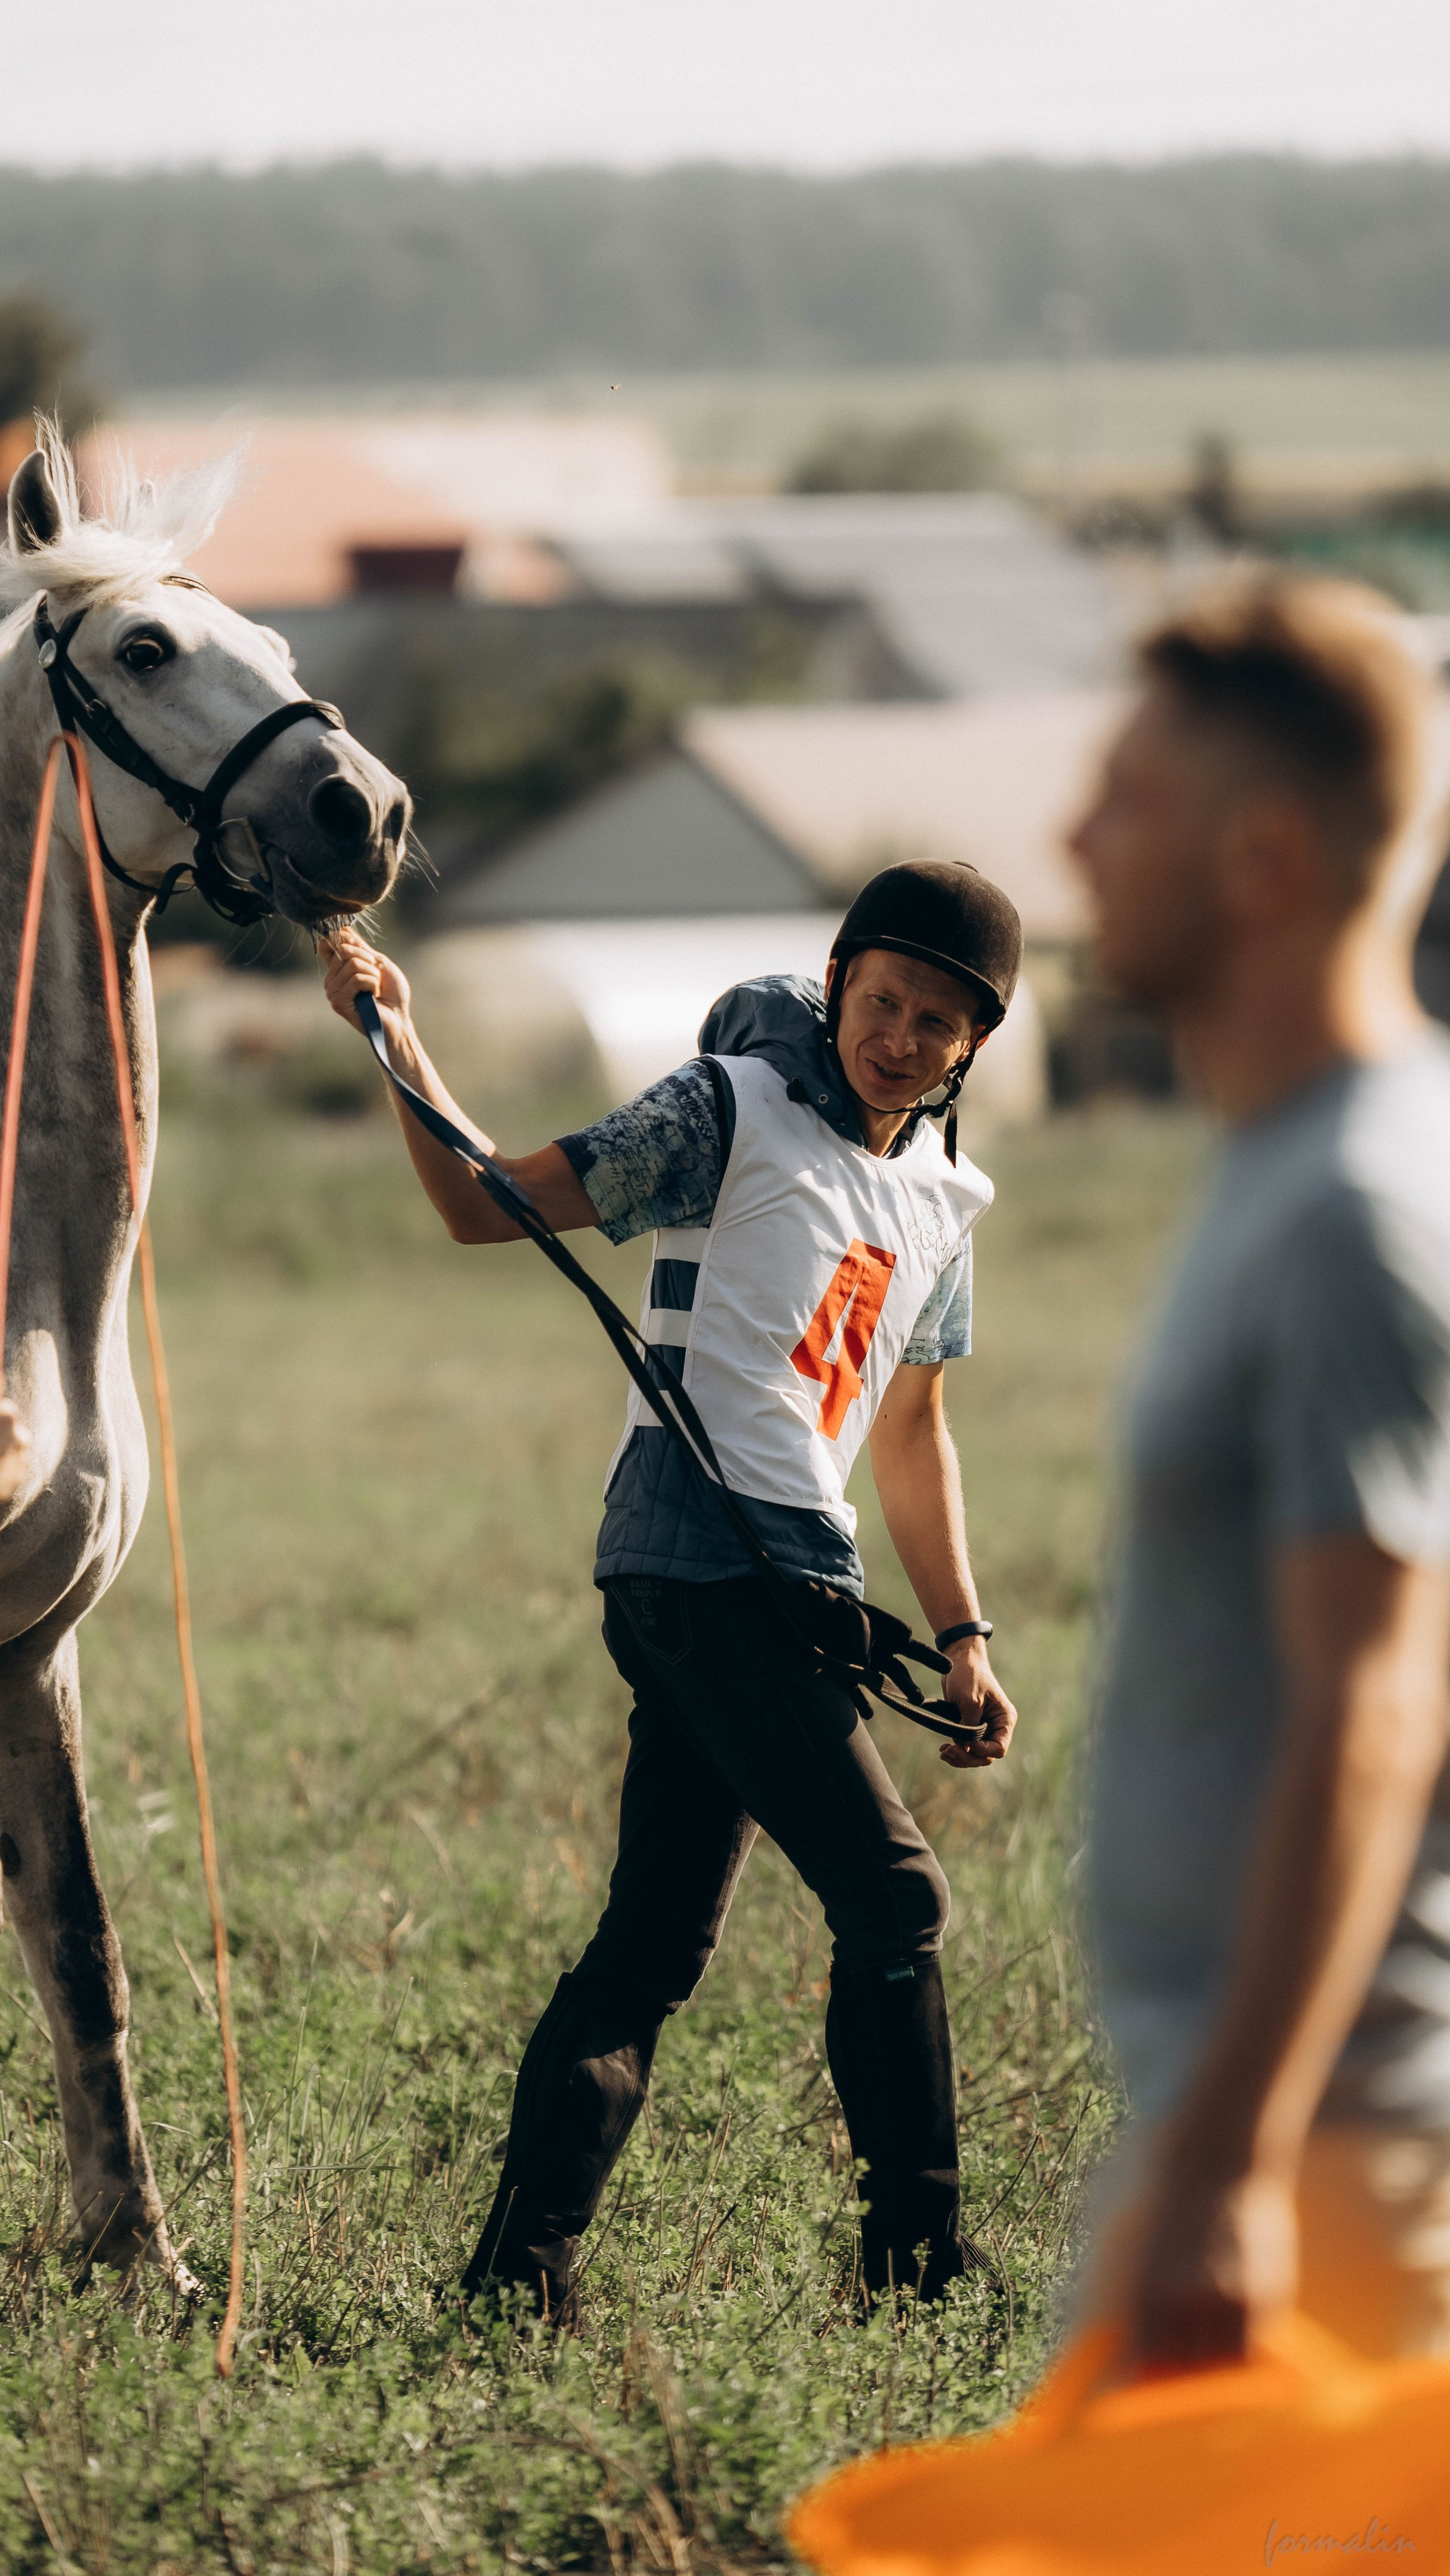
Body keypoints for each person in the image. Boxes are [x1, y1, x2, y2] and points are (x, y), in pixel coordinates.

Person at [321, 860, 1021, 2319]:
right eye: (877, 997)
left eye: (933, 1018)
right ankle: (918, 2272)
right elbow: (484, 1204)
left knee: (655, 1938)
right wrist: (401, 1034)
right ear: (836, 985)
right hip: (692, 1550)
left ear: (973, 1044)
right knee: (894, 1894)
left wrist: (961, 1632)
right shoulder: (724, 1106)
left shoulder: (947, 1195)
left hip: (801, 1574)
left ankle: (518, 2278)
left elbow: (910, 1428)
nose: (894, 1032)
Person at [1068, 574, 1450, 2365]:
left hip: (1330, 2171)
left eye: (1129, 799)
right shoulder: (1291, 1165)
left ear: (1264, 861)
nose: (1075, 838)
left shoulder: (1349, 1215)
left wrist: (1231, 2166)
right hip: (1255, 2132)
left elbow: (1371, 1702)